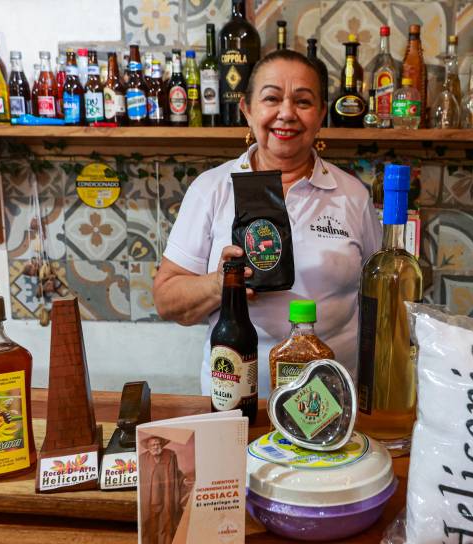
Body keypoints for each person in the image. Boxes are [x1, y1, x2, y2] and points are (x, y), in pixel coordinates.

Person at [153, 49, 382, 397]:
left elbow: (379, 297)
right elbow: (166, 299)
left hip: (332, 402)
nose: (286, 113)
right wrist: (219, 285)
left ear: (321, 114)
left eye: (303, 102)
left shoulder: (352, 195)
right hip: (236, 401)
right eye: (271, 98)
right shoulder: (211, 188)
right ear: (247, 109)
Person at [139, 436, 191, 544]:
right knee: (150, 525)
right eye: (153, 445)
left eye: (158, 444)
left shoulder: (170, 455)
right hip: (149, 499)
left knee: (166, 524)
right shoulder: (142, 459)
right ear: (148, 447)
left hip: (166, 497)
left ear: (162, 445)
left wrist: (183, 479)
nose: (156, 447)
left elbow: (176, 472)